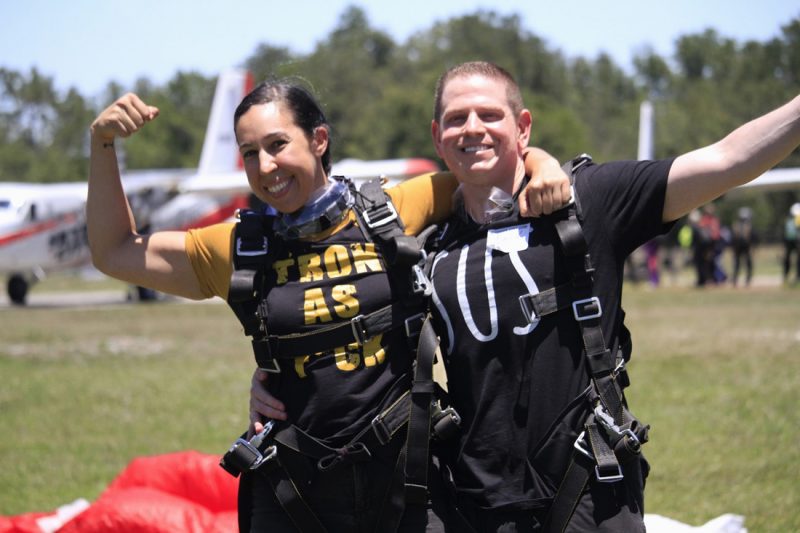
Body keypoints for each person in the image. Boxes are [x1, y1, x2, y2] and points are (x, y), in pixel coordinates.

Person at [254, 61, 800, 532]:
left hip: (590, 486)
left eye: (490, 115)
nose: (473, 128)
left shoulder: (592, 201)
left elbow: (729, 160)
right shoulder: (421, 243)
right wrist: (270, 378)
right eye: (456, 119)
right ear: (437, 136)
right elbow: (342, 322)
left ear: (522, 127)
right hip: (474, 501)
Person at [86, 79, 570, 533]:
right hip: (293, 491)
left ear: (319, 139)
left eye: (278, 145)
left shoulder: (393, 211)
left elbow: (488, 167)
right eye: (250, 153)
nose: (266, 167)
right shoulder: (238, 247)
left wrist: (544, 164)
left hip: (408, 482)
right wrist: (103, 145)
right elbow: (115, 251)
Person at [730, 206, 755, 287]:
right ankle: (747, 280)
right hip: (745, 247)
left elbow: (733, 238)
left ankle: (735, 280)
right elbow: (752, 238)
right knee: (747, 264)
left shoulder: (736, 225)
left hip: (738, 248)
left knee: (738, 264)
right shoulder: (748, 225)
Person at [782, 202, 800, 284]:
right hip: (790, 241)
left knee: (797, 260)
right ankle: (786, 276)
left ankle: (796, 277)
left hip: (794, 241)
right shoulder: (789, 221)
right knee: (787, 259)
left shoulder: (792, 219)